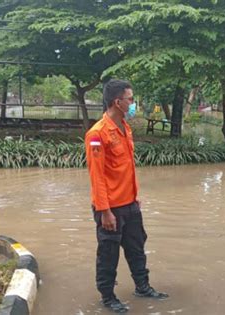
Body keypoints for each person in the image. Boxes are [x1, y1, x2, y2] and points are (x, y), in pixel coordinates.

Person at [85, 79, 168, 313]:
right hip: (110, 209)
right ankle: (108, 297)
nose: (133, 103)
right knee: (108, 255)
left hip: (130, 204)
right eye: (130, 99)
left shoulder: (125, 128)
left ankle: (142, 287)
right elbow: (97, 176)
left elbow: (126, 167)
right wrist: (105, 211)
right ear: (117, 102)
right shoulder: (97, 134)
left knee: (137, 248)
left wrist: (135, 196)